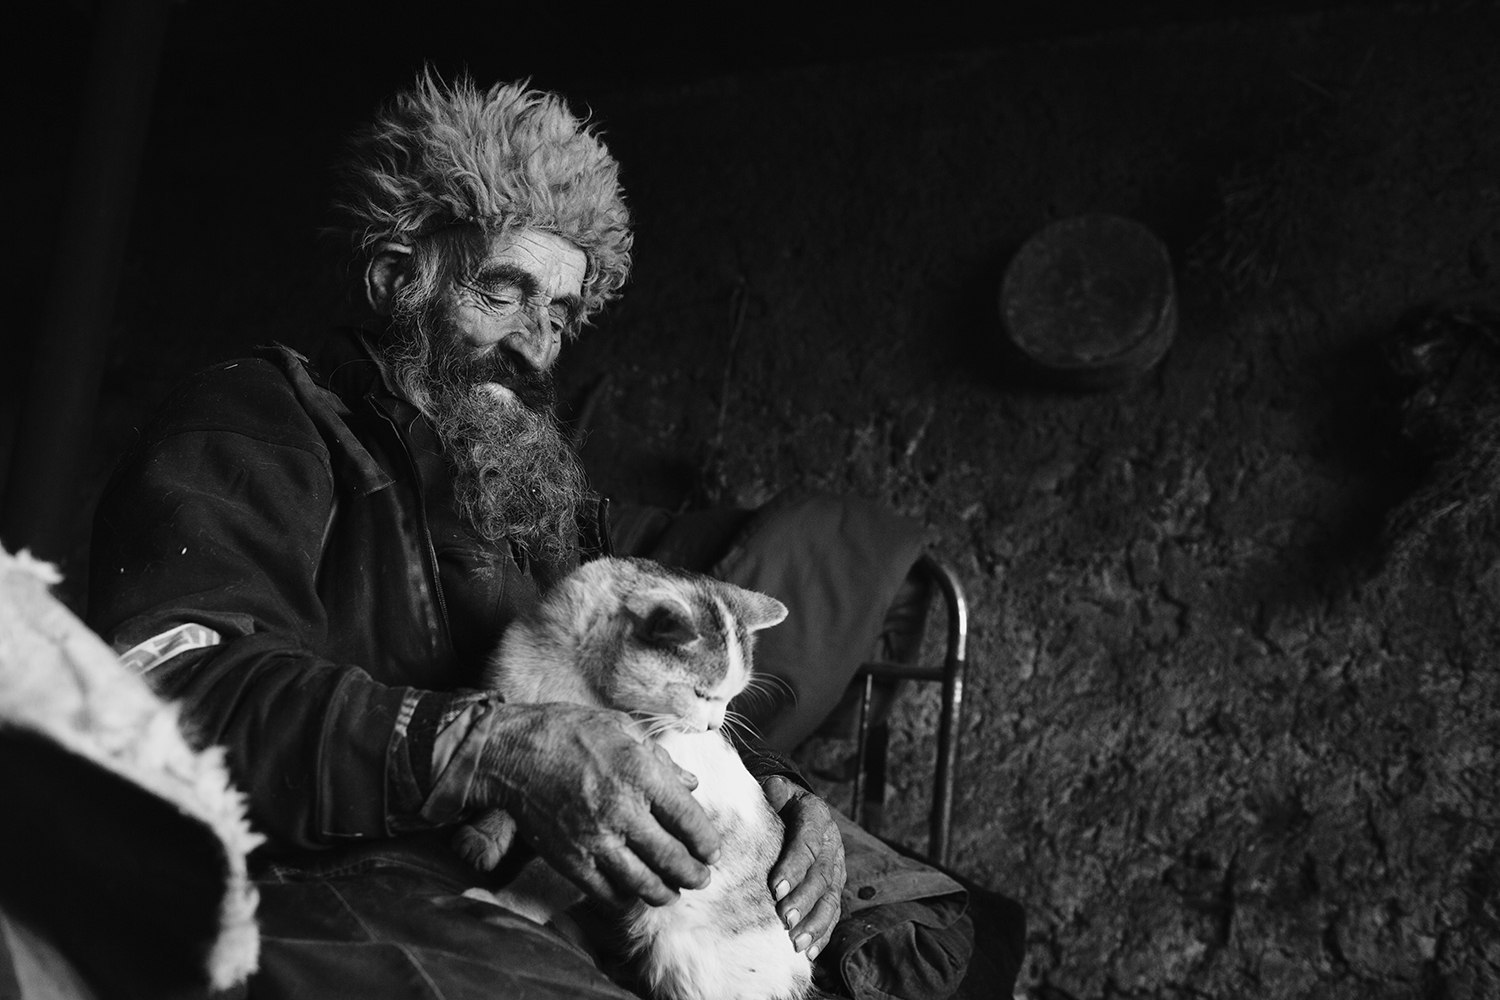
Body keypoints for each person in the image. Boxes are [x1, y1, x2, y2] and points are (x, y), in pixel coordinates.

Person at [87, 71, 993, 999]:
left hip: (560, 876)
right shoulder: (259, 418)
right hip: (354, 878)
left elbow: (651, 684)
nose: (534, 343)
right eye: (503, 291)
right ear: (398, 278)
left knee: (923, 927)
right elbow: (166, 690)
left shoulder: (531, 490)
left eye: (557, 315)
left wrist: (783, 799)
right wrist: (484, 748)